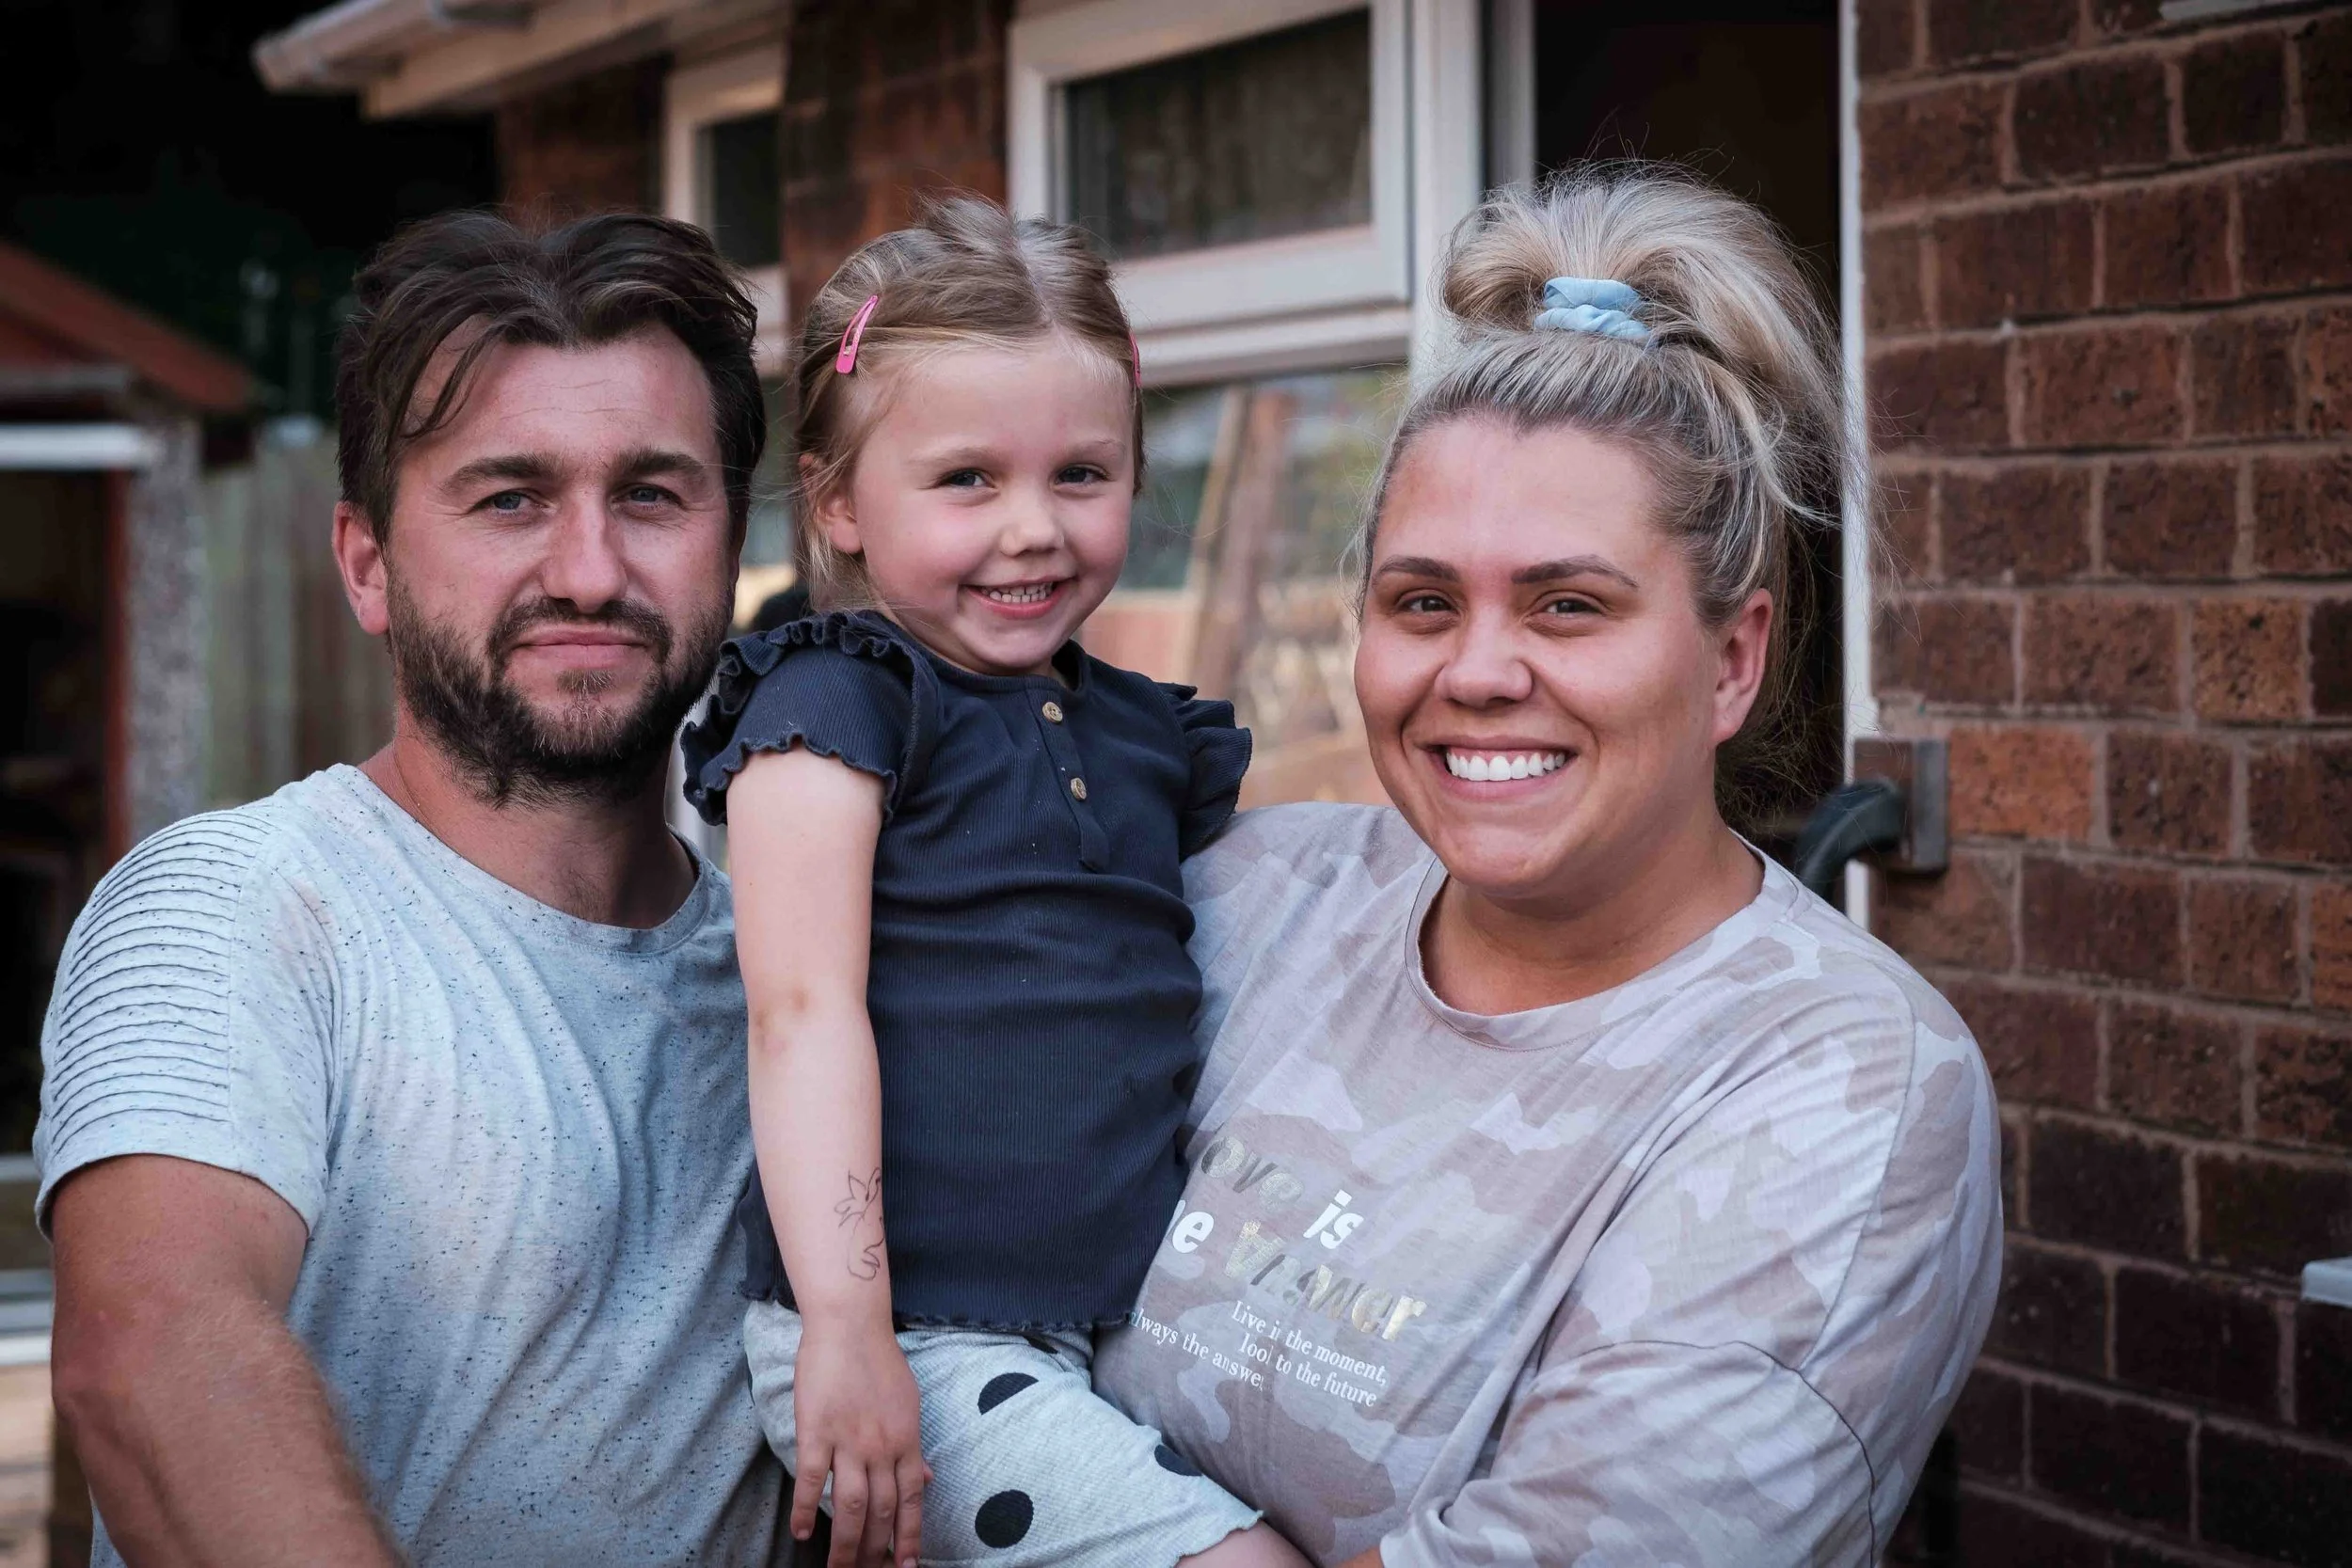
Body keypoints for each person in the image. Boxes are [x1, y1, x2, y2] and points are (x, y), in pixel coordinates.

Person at [1091, 166, 2004, 1567]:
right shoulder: (1247, 897)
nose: (1478, 670)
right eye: (1422, 602)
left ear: (1734, 658)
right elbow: (948, 1303)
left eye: (1569, 605)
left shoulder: (1849, 1093)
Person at [36, 211, 791, 1565]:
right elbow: (152, 1349)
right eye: (510, 497)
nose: (588, 570)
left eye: (651, 494)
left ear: (731, 542)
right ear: (367, 562)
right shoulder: (242, 906)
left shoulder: (800, 987)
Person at [678, 199, 1305, 1568]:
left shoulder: (1140, 731)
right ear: (839, 499)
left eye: (1082, 474)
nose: (1033, 528)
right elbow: (800, 1015)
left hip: (1121, 1318)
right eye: (968, 480)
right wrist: (847, 1332)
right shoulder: (836, 705)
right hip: (910, 1336)